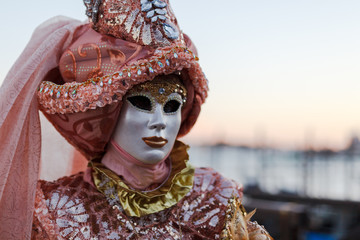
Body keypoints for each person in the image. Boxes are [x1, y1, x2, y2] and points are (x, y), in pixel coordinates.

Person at [0, 0, 273, 239]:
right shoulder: (56, 211)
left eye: (172, 106)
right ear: (108, 113)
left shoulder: (213, 198)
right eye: (142, 103)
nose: (160, 122)